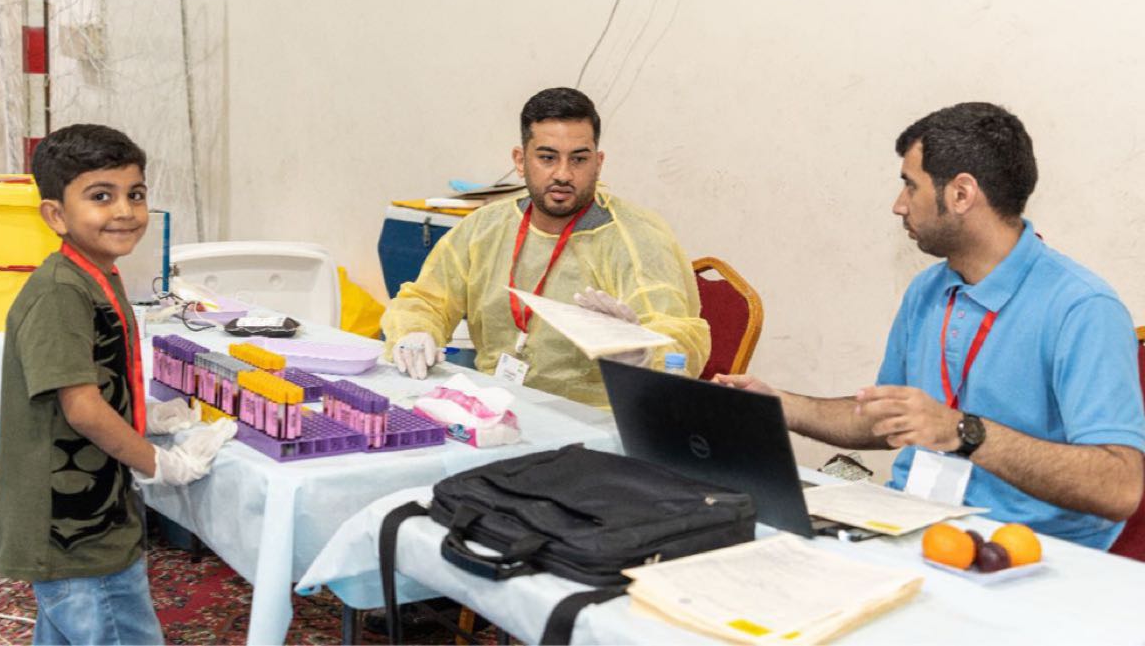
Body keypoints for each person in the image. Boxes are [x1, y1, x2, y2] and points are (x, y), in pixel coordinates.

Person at [717, 103, 1145, 549]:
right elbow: (887, 419)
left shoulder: (1082, 308)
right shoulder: (928, 289)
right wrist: (777, 406)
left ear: (961, 194)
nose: (899, 205)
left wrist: (963, 432)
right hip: (914, 529)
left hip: (1023, 553)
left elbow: (1119, 486)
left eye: (910, 185)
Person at [0, 124, 236, 645]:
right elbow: (81, 407)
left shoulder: (96, 275)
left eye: (135, 194)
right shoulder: (60, 293)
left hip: (88, 514)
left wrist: (145, 411)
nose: (124, 210)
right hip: (73, 528)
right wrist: (159, 462)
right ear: (56, 215)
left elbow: (93, 378)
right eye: (101, 196)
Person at [382, 87, 710, 406]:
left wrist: (643, 355)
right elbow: (426, 299)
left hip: (595, 421)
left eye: (579, 159)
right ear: (520, 160)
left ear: (598, 163)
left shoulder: (635, 236)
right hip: (495, 406)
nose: (563, 174)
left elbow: (677, 333)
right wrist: (415, 331)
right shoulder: (485, 227)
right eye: (547, 158)